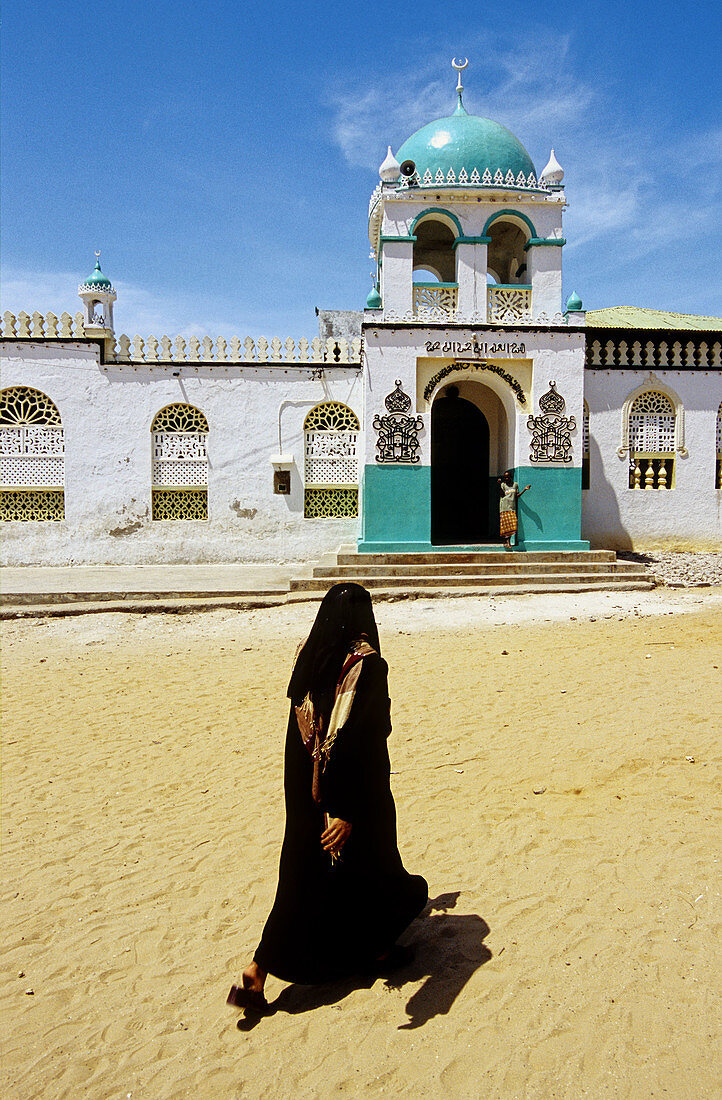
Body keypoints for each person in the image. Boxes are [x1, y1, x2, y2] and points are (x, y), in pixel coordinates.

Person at [227, 583, 428, 1015]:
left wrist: (309, 802)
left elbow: (297, 730)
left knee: (300, 881)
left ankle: (258, 968)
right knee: (374, 866)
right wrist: (347, 810)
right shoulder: (366, 666)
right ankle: (377, 952)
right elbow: (365, 742)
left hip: (303, 791)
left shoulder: (310, 652)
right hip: (353, 795)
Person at [497, 470, 531, 550]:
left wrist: (525, 490)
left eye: (508, 477)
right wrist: (499, 485)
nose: (507, 478)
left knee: (512, 525)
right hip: (504, 507)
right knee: (506, 526)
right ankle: (507, 542)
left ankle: (507, 541)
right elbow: (502, 494)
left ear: (511, 477)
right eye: (505, 477)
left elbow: (516, 496)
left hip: (512, 507)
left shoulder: (515, 485)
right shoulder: (503, 485)